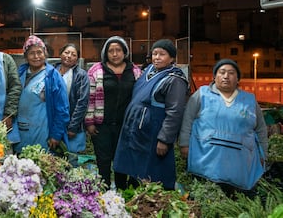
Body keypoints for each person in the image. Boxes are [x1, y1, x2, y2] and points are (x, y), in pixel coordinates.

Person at [179, 59, 268, 195]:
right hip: (206, 159)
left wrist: (263, 154)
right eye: (222, 72)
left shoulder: (249, 100)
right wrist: (184, 144)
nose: (226, 76)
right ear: (214, 77)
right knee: (205, 197)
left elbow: (261, 129)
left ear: (238, 79)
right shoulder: (202, 94)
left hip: (240, 164)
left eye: (231, 73)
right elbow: (187, 119)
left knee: (236, 201)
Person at [113, 39, 189, 190]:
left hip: (153, 132)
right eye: (154, 53)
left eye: (162, 54)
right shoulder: (148, 71)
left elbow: (175, 113)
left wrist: (165, 140)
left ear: (172, 58)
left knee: (151, 171)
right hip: (135, 128)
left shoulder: (174, 79)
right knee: (132, 166)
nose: (157, 57)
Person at [85, 36, 142, 190]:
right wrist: (89, 122)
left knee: (122, 159)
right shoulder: (96, 71)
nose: (115, 54)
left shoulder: (135, 71)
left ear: (125, 52)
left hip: (126, 126)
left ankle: (122, 191)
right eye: (111, 51)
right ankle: (104, 192)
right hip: (102, 125)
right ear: (106, 53)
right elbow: (89, 98)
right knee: (103, 160)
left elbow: (141, 99)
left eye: (118, 50)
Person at [13, 35, 70, 154]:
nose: (36, 56)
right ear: (26, 56)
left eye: (40, 52)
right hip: (20, 131)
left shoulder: (52, 77)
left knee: (40, 163)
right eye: (31, 53)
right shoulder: (20, 73)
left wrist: (56, 134)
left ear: (45, 53)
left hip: (42, 130)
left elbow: (62, 109)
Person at [54, 43, 90, 166]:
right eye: (66, 52)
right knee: (53, 161)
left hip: (72, 126)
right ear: (60, 54)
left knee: (71, 161)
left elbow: (82, 102)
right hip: (53, 125)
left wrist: (73, 126)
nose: (69, 56)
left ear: (77, 59)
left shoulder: (81, 75)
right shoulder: (51, 72)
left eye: (73, 55)